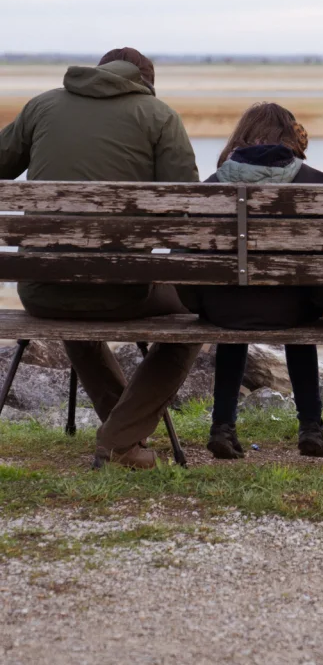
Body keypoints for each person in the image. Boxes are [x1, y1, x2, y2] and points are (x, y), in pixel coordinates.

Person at [0, 47, 202, 470]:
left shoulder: (41, 106)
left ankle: (122, 433)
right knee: (196, 318)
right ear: (144, 81)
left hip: (41, 289)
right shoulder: (158, 115)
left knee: (72, 303)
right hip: (122, 290)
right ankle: (120, 437)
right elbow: (189, 204)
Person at [182, 102, 323, 459]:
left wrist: (200, 304)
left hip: (224, 308)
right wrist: (320, 300)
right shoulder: (319, 184)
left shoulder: (211, 186)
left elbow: (187, 259)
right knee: (298, 313)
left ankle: (222, 425)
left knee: (235, 311)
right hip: (295, 309)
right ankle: (311, 426)